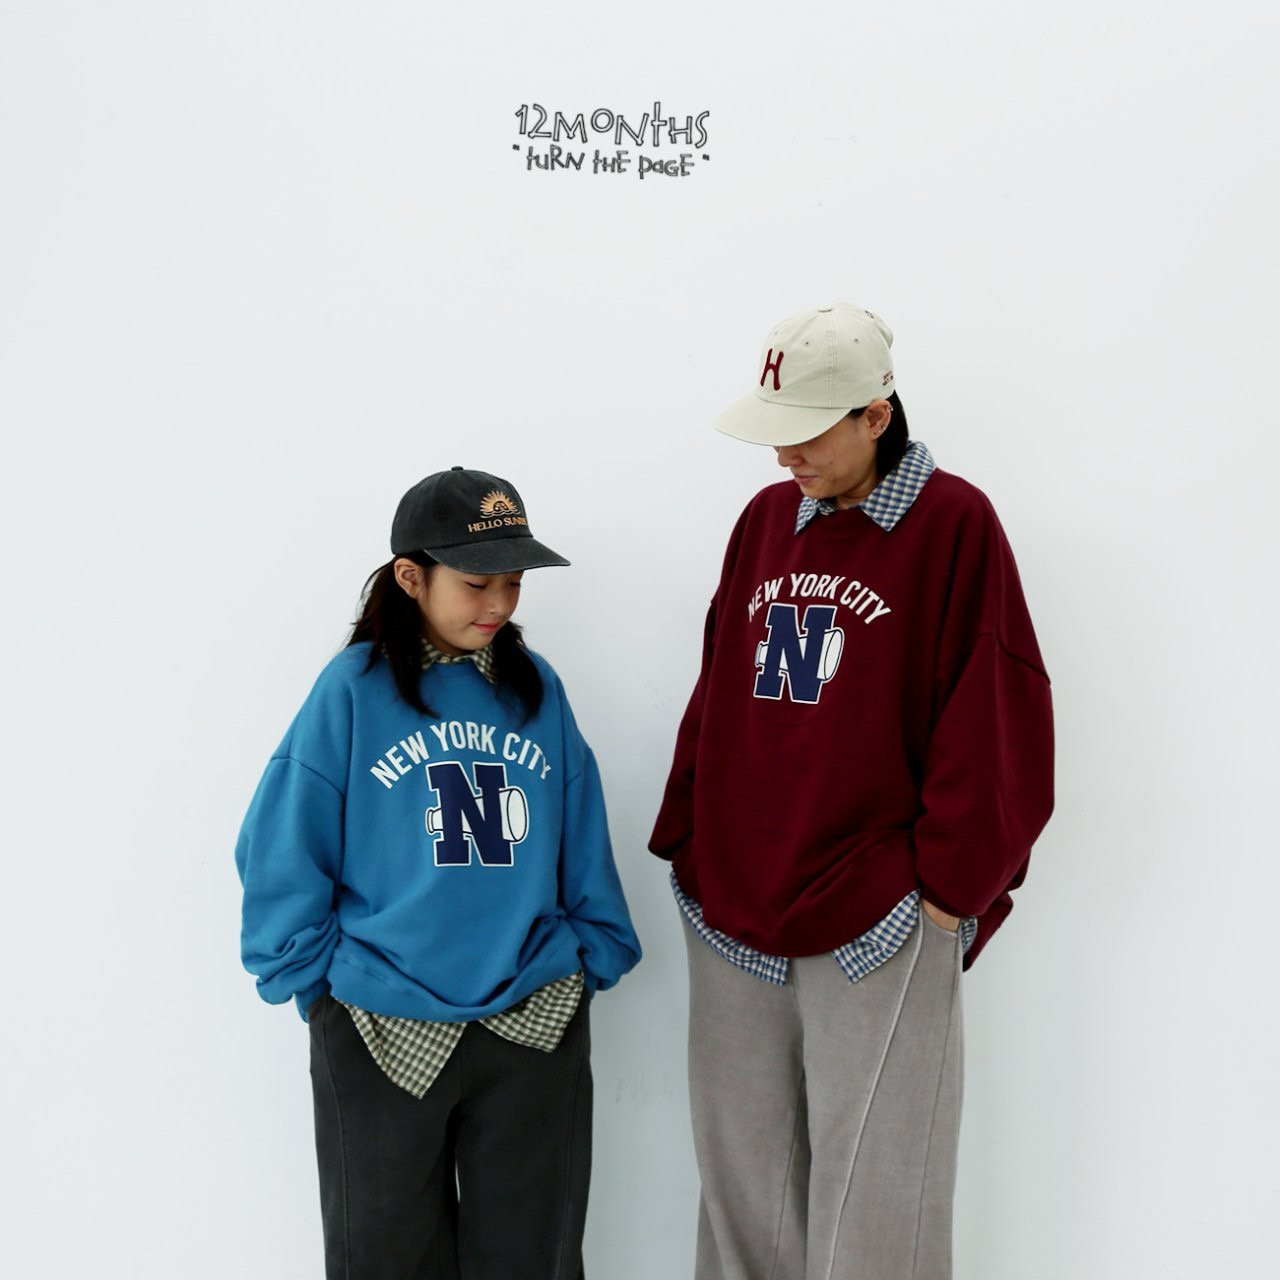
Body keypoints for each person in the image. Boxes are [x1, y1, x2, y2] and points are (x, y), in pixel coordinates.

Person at [649, 304, 1054, 1279]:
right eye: (773, 429)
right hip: (733, 905)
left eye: (807, 430)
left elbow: (995, 711)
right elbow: (718, 687)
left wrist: (944, 895)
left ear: (876, 415)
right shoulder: (764, 522)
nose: (782, 453)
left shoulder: (952, 524)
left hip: (878, 908)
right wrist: (691, 847)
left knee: (880, 1202)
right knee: (742, 1191)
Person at [236, 466, 641, 1280]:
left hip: (532, 1018)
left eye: (514, 582)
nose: (499, 603)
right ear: (410, 576)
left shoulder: (535, 688)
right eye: (477, 583)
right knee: (384, 1259)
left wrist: (591, 952)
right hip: (380, 1024)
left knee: (533, 1260)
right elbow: (281, 840)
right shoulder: (353, 690)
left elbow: (580, 824)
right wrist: (316, 985)